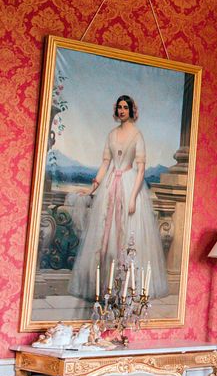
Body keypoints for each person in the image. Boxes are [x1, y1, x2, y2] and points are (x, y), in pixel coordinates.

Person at [68, 95, 169, 301]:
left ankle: (126, 288)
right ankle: (104, 285)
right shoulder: (112, 134)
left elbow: (141, 170)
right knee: (105, 234)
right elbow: (105, 164)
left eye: (126, 107)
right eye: (120, 107)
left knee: (128, 235)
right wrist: (92, 189)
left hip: (130, 185)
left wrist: (132, 198)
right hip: (110, 186)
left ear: (132, 111)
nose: (122, 111)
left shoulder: (137, 135)